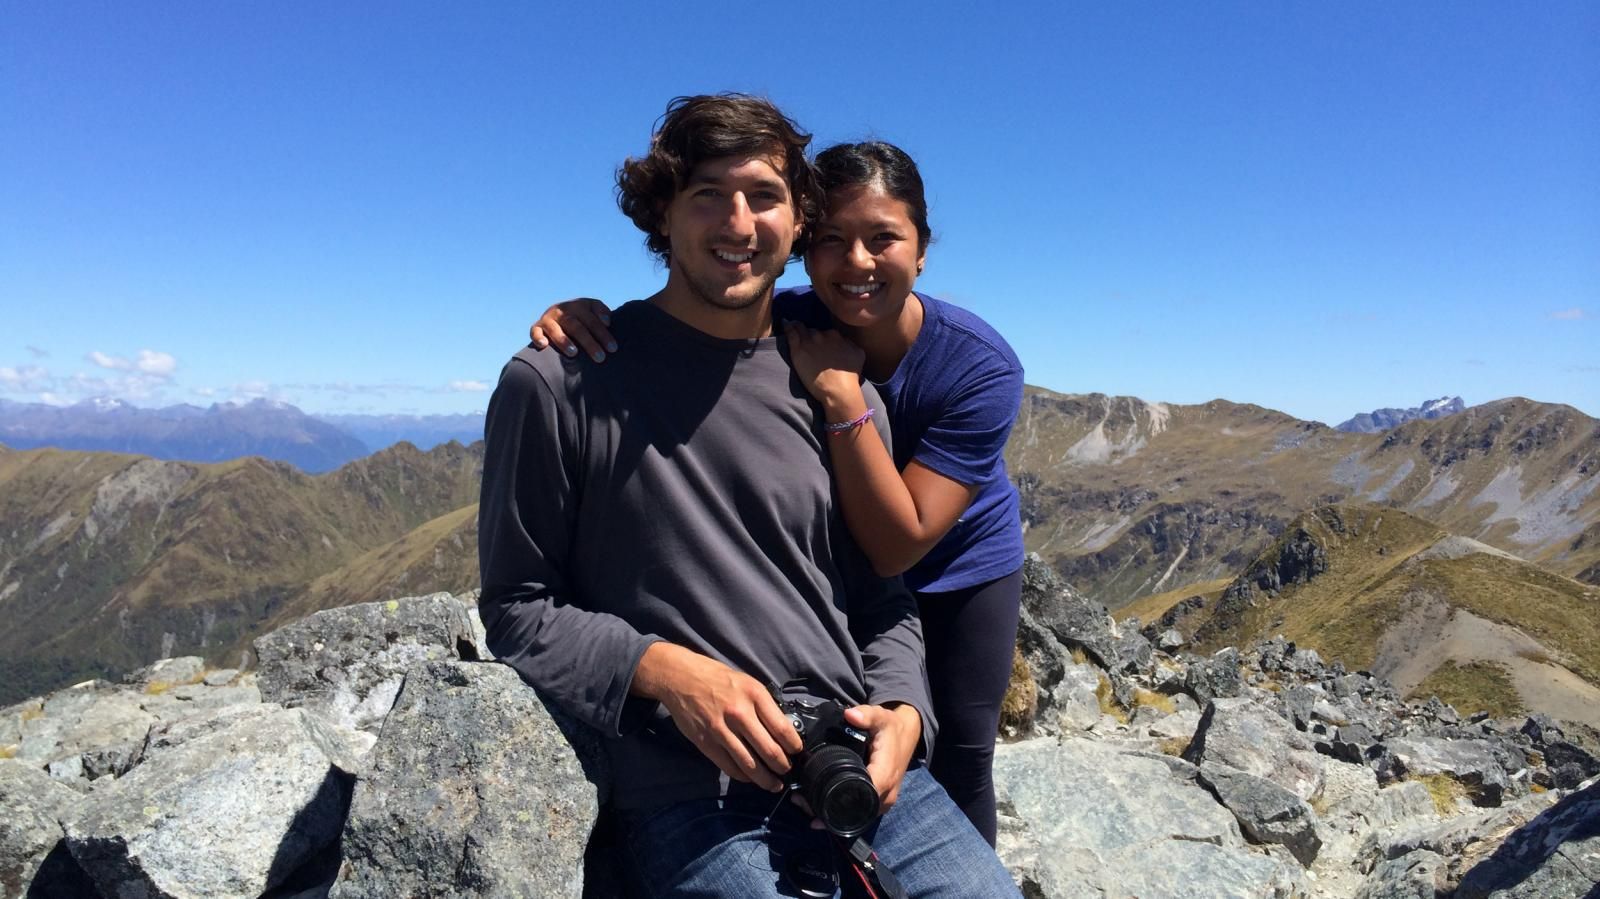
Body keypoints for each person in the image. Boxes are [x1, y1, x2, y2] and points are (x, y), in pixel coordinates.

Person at [479, 93, 1020, 898]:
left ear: (797, 221)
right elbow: (517, 607)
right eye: (707, 194)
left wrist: (906, 710)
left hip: (856, 766)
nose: (739, 222)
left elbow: (880, 592)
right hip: (690, 793)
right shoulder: (559, 382)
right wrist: (663, 671)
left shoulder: (835, 389)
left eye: (764, 196)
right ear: (661, 213)